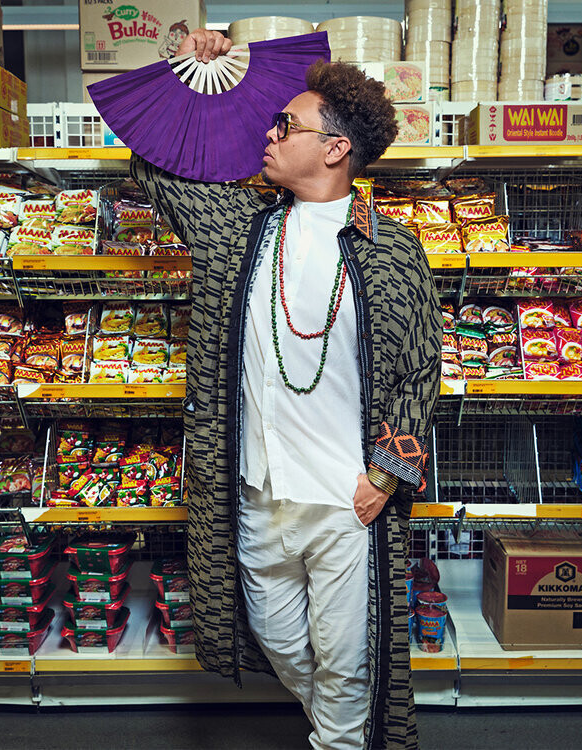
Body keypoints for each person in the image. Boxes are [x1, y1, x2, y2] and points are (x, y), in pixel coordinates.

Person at [131, 28, 441, 750]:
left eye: (285, 125)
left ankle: (339, 739)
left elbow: (421, 367)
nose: (268, 134)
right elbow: (150, 161)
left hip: (345, 501)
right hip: (254, 493)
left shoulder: (391, 247)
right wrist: (188, 68)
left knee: (345, 660)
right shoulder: (236, 228)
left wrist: (384, 475)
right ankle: (342, 726)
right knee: (277, 639)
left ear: (335, 148)